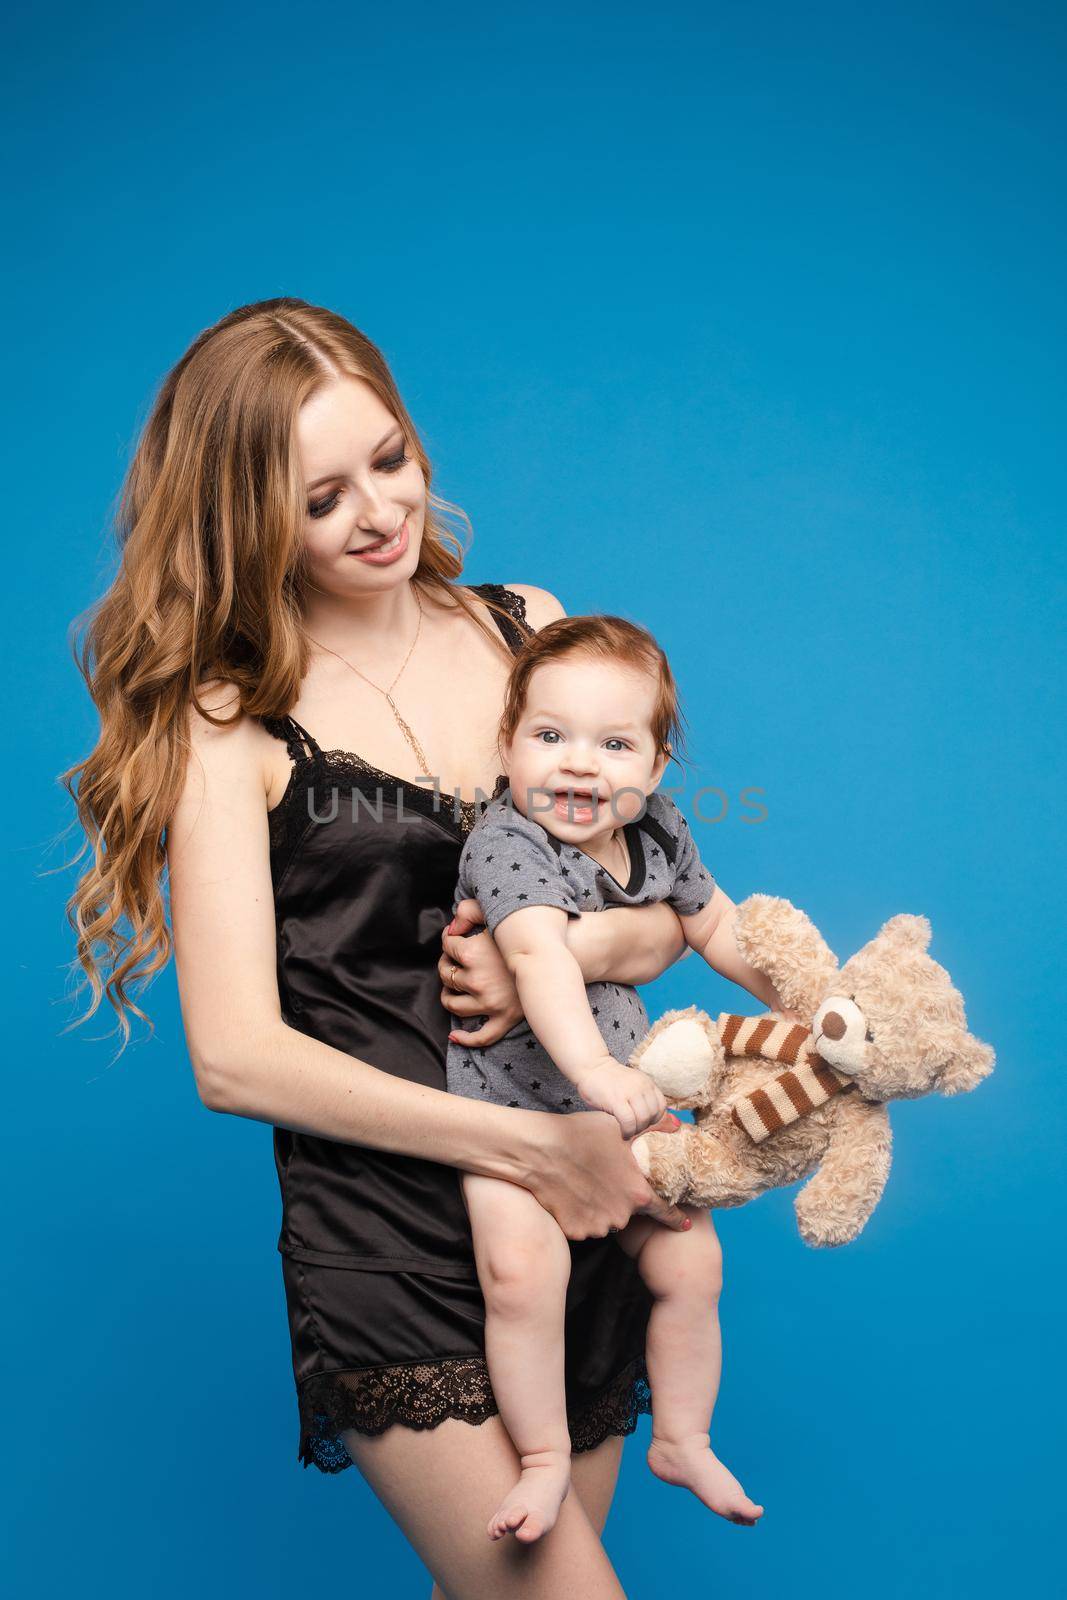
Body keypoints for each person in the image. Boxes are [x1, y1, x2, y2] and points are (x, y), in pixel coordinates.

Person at [60, 297, 706, 1599]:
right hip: (394, 1228)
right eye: (318, 498)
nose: (377, 511)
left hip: (578, 1205)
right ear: (246, 518)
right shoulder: (226, 726)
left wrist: (592, 953)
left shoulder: (527, 628)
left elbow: (663, 900)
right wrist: (532, 1147)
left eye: (390, 459)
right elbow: (235, 1059)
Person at [446, 615, 790, 1543]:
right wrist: (595, 1069)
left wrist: (802, 998)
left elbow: (715, 926)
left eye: (613, 744)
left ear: (658, 766)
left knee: (691, 1258)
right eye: (548, 737)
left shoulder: (660, 831)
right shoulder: (506, 841)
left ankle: (680, 1435)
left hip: (619, 1106)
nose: (577, 766)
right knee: (521, 1276)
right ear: (507, 744)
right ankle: (543, 1457)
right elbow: (539, 959)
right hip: (509, 1113)